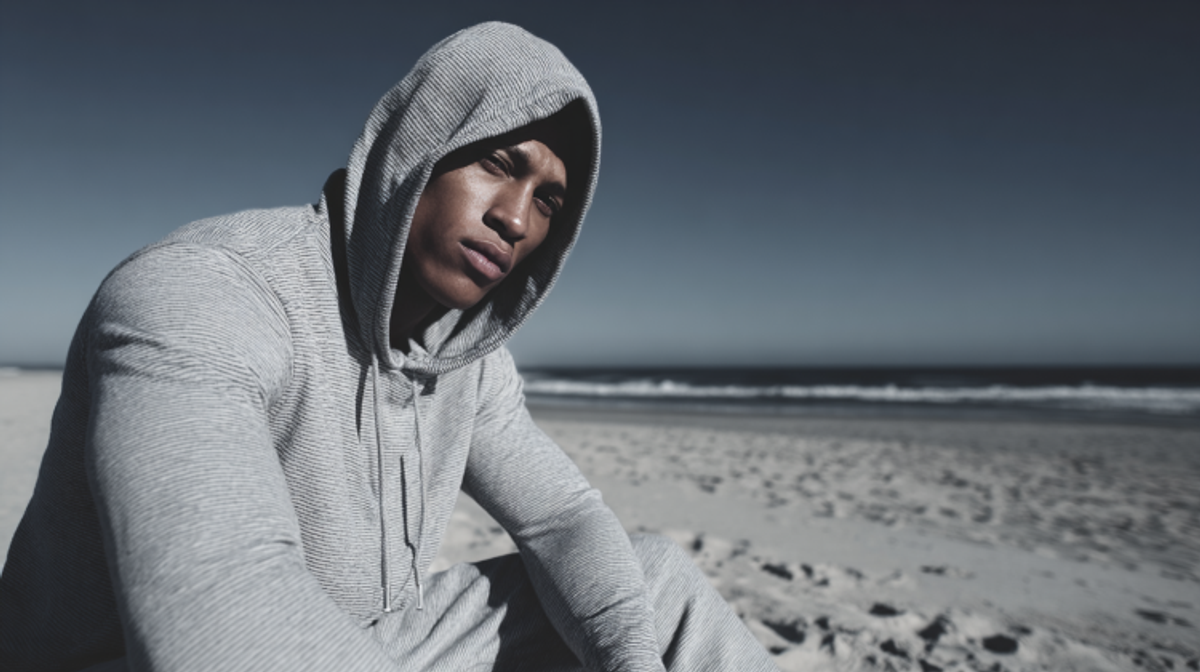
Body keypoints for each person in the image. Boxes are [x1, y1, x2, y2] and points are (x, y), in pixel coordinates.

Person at [0, 22, 778, 672]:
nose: (517, 219)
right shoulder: (203, 294)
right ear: (419, 146)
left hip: (365, 648)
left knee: (652, 582)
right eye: (499, 163)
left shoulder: (463, 359)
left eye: (548, 201)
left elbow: (565, 519)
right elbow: (223, 609)